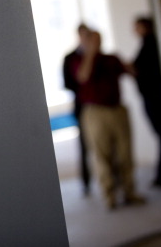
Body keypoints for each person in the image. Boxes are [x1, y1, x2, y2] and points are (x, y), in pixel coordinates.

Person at [75, 30, 145, 210]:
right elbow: (83, 77)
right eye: (93, 40)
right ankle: (109, 195)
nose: (97, 43)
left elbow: (132, 72)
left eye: (99, 39)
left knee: (124, 152)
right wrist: (90, 53)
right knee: (102, 154)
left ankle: (129, 191)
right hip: (95, 112)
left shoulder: (111, 58)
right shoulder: (77, 59)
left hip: (117, 109)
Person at [133, 17, 161, 187]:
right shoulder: (148, 44)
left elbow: (145, 71)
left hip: (156, 99)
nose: (134, 31)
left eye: (137, 27)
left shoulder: (151, 44)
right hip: (155, 98)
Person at [63, 24, 92, 195]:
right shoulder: (70, 58)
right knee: (84, 146)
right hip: (82, 105)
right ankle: (86, 183)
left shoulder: (97, 55)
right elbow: (69, 82)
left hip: (98, 106)